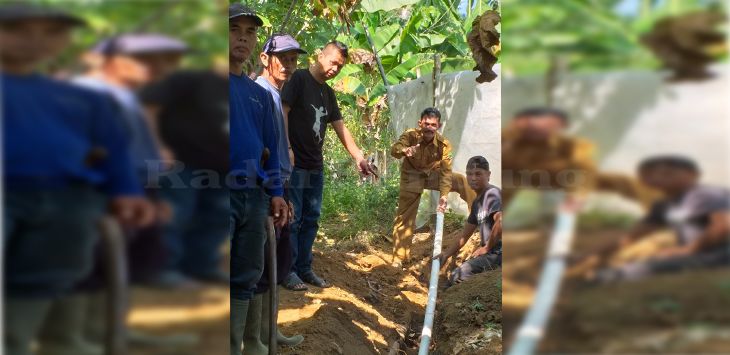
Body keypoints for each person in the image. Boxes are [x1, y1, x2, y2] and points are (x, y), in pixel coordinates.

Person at [1, 3, 154, 355]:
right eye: (18, 29)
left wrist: (127, 191)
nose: (34, 40)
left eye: (50, 31)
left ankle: (26, 341)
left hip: (66, 201)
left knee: (48, 276)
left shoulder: (81, 99)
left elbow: (114, 150)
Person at [281, 40, 375, 290]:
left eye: (340, 67)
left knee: (311, 219)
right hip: (295, 164)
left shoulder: (328, 93)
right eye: (333, 62)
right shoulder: (298, 79)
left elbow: (341, 128)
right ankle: (287, 271)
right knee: (293, 218)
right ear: (321, 56)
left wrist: (358, 157)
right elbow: (283, 111)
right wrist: (286, 147)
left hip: (315, 165)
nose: (335, 69)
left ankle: (304, 268)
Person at [228, 4, 288, 355]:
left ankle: (237, 346)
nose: (243, 38)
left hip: (253, 196)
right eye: (235, 30)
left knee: (247, 274)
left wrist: (276, 193)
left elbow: (272, 147)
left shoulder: (258, 95)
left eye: (250, 33)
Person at [572, 156, 730, 283]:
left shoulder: (706, 194)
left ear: (694, 175)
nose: (658, 177)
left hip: (721, 251)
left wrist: (689, 250)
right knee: (639, 258)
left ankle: (612, 278)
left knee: (645, 267)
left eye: (668, 173)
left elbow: (723, 226)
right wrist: (589, 253)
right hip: (702, 252)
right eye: (649, 174)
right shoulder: (663, 204)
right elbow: (631, 237)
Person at [140, 68, 230, 286]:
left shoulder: (241, 88)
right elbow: (148, 106)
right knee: (174, 215)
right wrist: (157, 146)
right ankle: (162, 269)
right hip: (180, 162)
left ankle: (202, 266)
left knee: (218, 217)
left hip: (221, 168)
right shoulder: (190, 78)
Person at [247, 33, 308, 352]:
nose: (287, 64)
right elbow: (258, 150)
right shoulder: (259, 92)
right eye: (282, 57)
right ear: (265, 58)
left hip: (278, 185)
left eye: (293, 59)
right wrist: (271, 191)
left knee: (277, 260)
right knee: (260, 263)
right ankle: (255, 338)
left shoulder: (274, 93)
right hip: (264, 188)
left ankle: (270, 330)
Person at [502, 107, 662, 209]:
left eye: (556, 125)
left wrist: (578, 195)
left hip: (559, 178)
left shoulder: (571, 144)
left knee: (621, 180)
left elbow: (585, 167)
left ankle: (661, 209)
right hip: (512, 177)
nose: (549, 128)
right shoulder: (506, 138)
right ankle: (485, 231)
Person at [390, 107, 477, 263]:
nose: (429, 128)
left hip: (432, 175)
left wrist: (444, 196)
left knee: (461, 181)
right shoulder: (410, 135)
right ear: (420, 123)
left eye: (433, 125)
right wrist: (405, 150)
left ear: (439, 126)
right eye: (426, 124)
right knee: (405, 217)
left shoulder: (444, 145)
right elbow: (394, 149)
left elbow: (445, 173)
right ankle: (399, 258)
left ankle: (479, 217)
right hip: (412, 176)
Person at [436, 156, 502, 286]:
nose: (473, 178)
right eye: (469, 174)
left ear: (488, 175)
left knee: (457, 277)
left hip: (499, 252)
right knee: (457, 275)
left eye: (478, 174)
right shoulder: (477, 203)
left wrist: (487, 247)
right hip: (492, 253)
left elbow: (501, 221)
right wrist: (446, 254)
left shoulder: (492, 194)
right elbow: (463, 236)